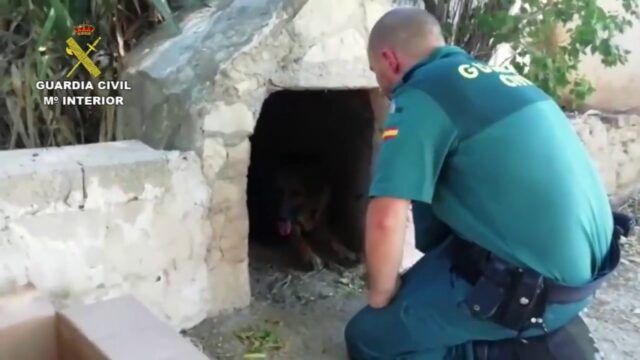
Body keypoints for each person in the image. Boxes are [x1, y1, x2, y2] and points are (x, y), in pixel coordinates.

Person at [344, 8, 622, 360]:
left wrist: (380, 298)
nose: (381, 85)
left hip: (535, 289)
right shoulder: (502, 80)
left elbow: (385, 217)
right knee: (420, 292)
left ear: (390, 59)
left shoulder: (422, 92)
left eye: (376, 72)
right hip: (584, 277)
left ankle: (501, 348)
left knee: (367, 337)